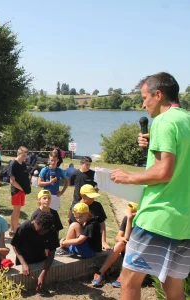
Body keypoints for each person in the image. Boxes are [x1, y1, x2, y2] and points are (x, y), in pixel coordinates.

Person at [110, 72, 190, 300]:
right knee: (173, 287)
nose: (143, 104)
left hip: (157, 217)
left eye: (145, 98)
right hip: (184, 222)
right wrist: (150, 148)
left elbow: (164, 172)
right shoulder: (186, 120)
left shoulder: (164, 121)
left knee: (128, 282)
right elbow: (181, 165)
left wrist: (127, 177)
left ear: (158, 94)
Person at [92, 202, 138, 288]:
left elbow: (128, 238)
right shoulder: (127, 218)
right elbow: (118, 238)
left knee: (128, 245)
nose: (129, 212)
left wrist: (130, 220)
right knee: (120, 244)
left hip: (138, 253)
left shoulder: (139, 221)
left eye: (131, 211)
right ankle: (101, 272)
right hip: (129, 248)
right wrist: (123, 239)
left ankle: (123, 275)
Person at [11, 210, 59, 291]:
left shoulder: (51, 231)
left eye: (45, 232)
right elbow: (15, 246)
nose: (42, 233)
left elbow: (51, 253)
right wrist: (23, 263)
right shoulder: (23, 228)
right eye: (40, 231)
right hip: (24, 261)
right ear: (36, 222)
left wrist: (43, 274)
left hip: (40, 260)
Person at [70, 184, 110, 250]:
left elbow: (102, 224)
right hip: (81, 238)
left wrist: (103, 241)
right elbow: (74, 226)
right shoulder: (76, 208)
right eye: (91, 197)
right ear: (82, 196)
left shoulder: (97, 206)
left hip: (94, 239)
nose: (93, 199)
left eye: (93, 197)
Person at [9, 146, 31, 234]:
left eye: (26, 156)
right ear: (18, 154)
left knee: (17, 210)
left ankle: (12, 228)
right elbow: (12, 181)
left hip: (22, 191)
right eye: (23, 156)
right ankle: (15, 230)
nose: (24, 158)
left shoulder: (23, 164)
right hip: (16, 191)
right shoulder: (13, 163)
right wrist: (22, 188)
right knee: (17, 211)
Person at [69, 156, 97, 223]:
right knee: (73, 221)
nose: (88, 166)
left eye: (89, 164)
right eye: (87, 164)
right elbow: (72, 184)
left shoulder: (93, 174)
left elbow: (97, 186)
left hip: (88, 202)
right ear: (81, 164)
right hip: (77, 201)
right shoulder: (75, 173)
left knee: (88, 222)